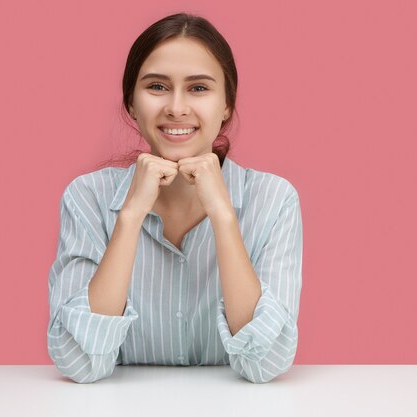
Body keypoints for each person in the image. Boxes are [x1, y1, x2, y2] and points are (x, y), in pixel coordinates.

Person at [46, 12, 303, 384]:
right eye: (156, 87)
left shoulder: (274, 200)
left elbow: (265, 363)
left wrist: (223, 215)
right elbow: (79, 362)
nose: (176, 107)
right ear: (131, 103)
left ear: (227, 104)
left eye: (199, 88)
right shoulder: (87, 197)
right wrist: (131, 215)